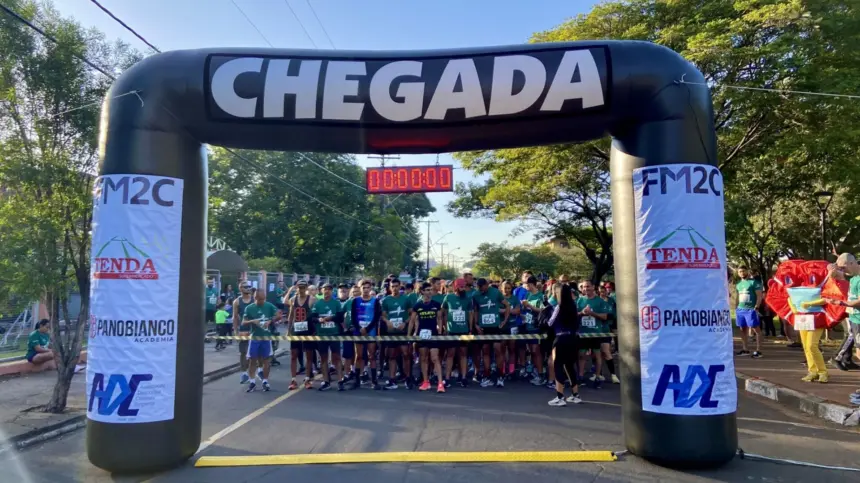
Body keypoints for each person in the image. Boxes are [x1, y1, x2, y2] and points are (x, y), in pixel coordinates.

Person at [824, 254, 860, 403]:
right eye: (841, 268)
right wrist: (831, 268)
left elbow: (858, 302)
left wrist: (839, 303)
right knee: (858, 352)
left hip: (858, 318)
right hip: (854, 319)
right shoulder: (853, 277)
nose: (843, 271)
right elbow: (839, 275)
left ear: (852, 263)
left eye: (844, 267)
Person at [547, 283, 582, 406]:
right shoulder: (574, 307)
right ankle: (575, 394)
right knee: (570, 366)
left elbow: (550, 323)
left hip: (561, 338)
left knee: (558, 366)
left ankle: (560, 396)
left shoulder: (559, 307)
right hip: (573, 338)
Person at [472, 278, 510, 387]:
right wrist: (476, 324)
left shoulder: (496, 292)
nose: (480, 289)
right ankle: (487, 376)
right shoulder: (476, 295)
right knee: (485, 351)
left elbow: (507, 305)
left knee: (498, 350)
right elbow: (475, 310)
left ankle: (500, 376)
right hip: (483, 327)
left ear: (486, 285)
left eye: (482, 287)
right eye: (478, 287)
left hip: (495, 327)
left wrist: (504, 321)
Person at [578, 280, 618, 385]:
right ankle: (581, 376)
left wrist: (592, 313)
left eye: (588, 286)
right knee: (582, 355)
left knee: (597, 355)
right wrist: (582, 313)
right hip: (583, 333)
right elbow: (575, 314)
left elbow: (605, 316)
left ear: (593, 287)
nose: (586, 289)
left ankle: (597, 376)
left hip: (596, 332)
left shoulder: (600, 301)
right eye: (584, 287)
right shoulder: (580, 300)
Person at [242, 290, 281, 392]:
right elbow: (243, 322)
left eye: (263, 299)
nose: (262, 301)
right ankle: (252, 382)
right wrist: (252, 321)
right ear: (255, 298)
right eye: (260, 299)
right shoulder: (249, 308)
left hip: (266, 338)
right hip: (254, 337)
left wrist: (271, 320)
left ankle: (265, 381)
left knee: (266, 360)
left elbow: (278, 315)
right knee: (252, 360)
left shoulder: (269, 306)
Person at [410, 282, 445, 392]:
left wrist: (440, 331)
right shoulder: (418, 305)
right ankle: (426, 382)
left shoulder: (436, 304)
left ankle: (440, 383)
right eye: (428, 290)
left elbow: (439, 319)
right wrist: (409, 335)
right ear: (422, 292)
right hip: (422, 335)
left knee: (435, 358)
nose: (430, 292)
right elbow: (412, 321)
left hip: (433, 335)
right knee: (423, 359)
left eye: (431, 290)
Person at [350, 279, 382, 390]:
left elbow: (377, 317)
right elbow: (353, 317)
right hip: (358, 332)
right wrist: (359, 328)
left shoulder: (375, 301)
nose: (366, 290)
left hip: (371, 332)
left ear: (371, 289)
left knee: (371, 356)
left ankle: (374, 381)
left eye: (368, 288)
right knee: (358, 356)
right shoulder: (355, 301)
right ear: (360, 289)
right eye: (364, 288)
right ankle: (357, 381)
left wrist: (367, 328)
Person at [381, 278, 413, 390]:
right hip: (391, 333)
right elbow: (383, 315)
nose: (394, 288)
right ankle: (392, 379)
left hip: (403, 332)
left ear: (400, 287)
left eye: (396, 286)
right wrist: (387, 322)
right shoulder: (386, 300)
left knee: (406, 355)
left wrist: (405, 323)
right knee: (392, 356)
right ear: (390, 287)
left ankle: (408, 378)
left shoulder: (406, 299)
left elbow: (412, 314)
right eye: (392, 286)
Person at [441, 278, 473, 388]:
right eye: (461, 287)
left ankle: (463, 377)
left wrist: (470, 329)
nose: (463, 289)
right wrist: (444, 327)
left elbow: (470, 314)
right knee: (450, 354)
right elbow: (443, 312)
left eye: (464, 287)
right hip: (451, 330)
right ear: (456, 287)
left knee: (463, 354)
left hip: (464, 331)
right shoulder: (448, 297)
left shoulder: (468, 299)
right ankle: (447, 378)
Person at [312, 283, 343, 391]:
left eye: (329, 289)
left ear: (332, 291)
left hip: (334, 334)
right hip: (322, 335)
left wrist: (331, 318)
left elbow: (340, 317)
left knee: (337, 358)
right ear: (321, 290)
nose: (327, 291)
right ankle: (326, 381)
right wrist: (319, 320)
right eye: (325, 289)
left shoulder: (336, 303)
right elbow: (312, 318)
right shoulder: (318, 303)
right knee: (324, 358)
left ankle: (340, 381)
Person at [287, 280, 316, 390]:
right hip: (296, 330)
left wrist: (315, 330)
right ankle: (293, 379)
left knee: (309, 355)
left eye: (303, 287)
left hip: (308, 330)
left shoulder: (312, 299)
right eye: (299, 287)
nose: (301, 289)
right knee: (294, 354)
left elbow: (315, 315)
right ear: (296, 288)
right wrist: (288, 330)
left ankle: (308, 378)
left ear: (306, 288)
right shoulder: (293, 300)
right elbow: (291, 315)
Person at [520, 276, 546, 385]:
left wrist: (529, 305)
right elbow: (525, 310)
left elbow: (543, 310)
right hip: (528, 326)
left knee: (536, 351)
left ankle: (541, 374)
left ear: (532, 284)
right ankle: (536, 372)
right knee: (531, 351)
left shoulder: (541, 296)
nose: (526, 286)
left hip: (536, 327)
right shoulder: (527, 295)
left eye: (527, 284)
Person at [735, 266, 764, 358]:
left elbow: (759, 296)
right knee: (742, 329)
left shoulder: (754, 282)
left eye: (743, 271)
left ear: (747, 271)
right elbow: (737, 297)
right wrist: (736, 307)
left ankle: (758, 350)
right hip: (740, 309)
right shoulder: (738, 284)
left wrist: (757, 306)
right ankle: (745, 349)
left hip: (750, 309)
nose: (742, 273)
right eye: (740, 271)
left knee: (756, 329)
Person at [232, 282, 255, 383]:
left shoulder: (255, 300)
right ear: (240, 289)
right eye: (246, 287)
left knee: (254, 353)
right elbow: (235, 317)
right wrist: (236, 331)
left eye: (249, 286)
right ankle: (243, 373)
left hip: (255, 330)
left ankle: (253, 373)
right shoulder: (237, 302)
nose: (248, 288)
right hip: (243, 330)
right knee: (243, 352)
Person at [500, 281, 522, 379]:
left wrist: (505, 310)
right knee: (502, 349)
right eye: (505, 288)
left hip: (513, 326)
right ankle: (503, 370)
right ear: (501, 288)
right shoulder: (499, 298)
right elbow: (497, 310)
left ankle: (512, 370)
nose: (507, 290)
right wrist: (509, 311)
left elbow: (518, 311)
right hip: (502, 326)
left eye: (509, 288)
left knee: (512, 349)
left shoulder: (514, 298)